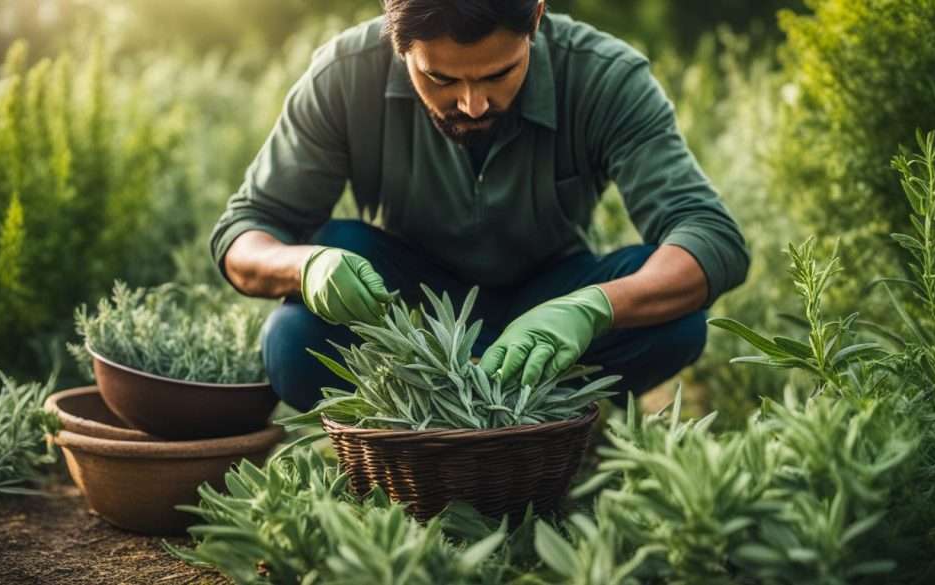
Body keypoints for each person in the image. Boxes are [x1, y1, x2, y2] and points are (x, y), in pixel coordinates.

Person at [210, 0, 749, 412]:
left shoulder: (606, 76)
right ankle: (433, 427)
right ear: (396, 39)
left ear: (535, 18)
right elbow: (246, 231)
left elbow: (708, 235)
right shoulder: (343, 75)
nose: (472, 104)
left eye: (498, 74)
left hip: (551, 299)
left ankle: (532, 416)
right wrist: (307, 266)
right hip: (408, 314)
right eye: (440, 79)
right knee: (293, 340)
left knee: (677, 324)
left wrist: (589, 310)